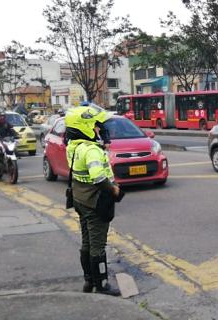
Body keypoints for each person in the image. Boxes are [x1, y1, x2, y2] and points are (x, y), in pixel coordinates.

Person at [65, 104, 121, 295]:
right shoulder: (91, 150)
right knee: (98, 246)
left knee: (87, 242)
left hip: (80, 199)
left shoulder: (73, 146)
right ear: (85, 127)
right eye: (97, 125)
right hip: (95, 201)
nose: (100, 129)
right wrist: (114, 191)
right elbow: (98, 176)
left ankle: (89, 282)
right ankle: (101, 284)